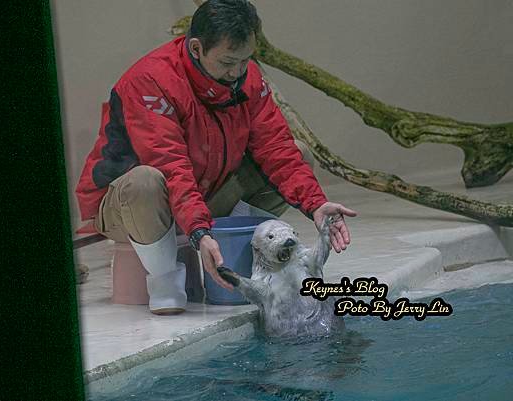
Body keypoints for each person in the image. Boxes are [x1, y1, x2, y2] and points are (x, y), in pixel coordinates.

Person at [75, 0, 357, 315]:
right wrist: (199, 231)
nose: (237, 72)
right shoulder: (150, 80)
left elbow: (277, 148)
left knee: (298, 153)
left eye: (246, 60)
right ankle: (164, 279)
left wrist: (315, 204)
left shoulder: (247, 77)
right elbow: (171, 169)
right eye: (227, 62)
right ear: (196, 48)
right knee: (146, 180)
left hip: (199, 194)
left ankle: (231, 243)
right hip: (129, 208)